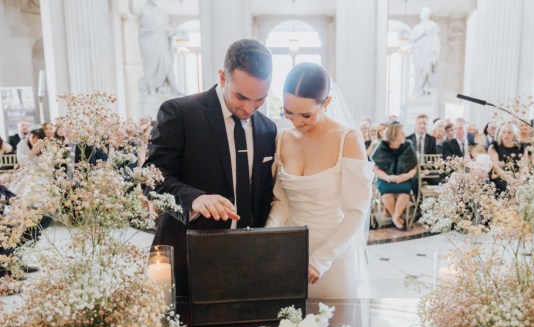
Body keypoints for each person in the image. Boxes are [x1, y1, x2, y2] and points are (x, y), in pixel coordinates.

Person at [145, 39, 277, 299]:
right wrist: (195, 199)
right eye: (241, 96)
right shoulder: (180, 113)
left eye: (260, 99)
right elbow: (152, 179)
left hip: (249, 260)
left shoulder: (267, 128)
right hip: (189, 255)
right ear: (222, 77)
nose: (249, 108)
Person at [266, 62, 373, 299]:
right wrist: (268, 236)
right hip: (289, 251)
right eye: (288, 112)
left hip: (332, 255)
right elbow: (282, 201)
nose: (296, 121)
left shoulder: (348, 140)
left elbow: (357, 210)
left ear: (326, 103)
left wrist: (321, 260)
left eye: (306, 115)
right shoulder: (282, 139)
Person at [371, 122, 418, 231]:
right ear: (394, 135)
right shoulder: (382, 146)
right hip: (385, 179)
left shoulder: (407, 145)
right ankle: (396, 218)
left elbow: (414, 167)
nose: (404, 135)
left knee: (405, 189)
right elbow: (376, 168)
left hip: (403, 178)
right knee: (386, 189)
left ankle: (395, 218)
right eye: (401, 133)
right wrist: (388, 178)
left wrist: (405, 176)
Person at [129, 0, 179, 95]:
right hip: (148, 41)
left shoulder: (161, 11)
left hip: (160, 41)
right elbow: (133, 11)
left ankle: (173, 86)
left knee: (166, 63)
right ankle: (152, 87)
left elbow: (166, 27)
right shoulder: (142, 8)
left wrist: (172, 31)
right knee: (150, 66)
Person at [410, 7, 440, 96]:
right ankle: (419, 91)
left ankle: (434, 89)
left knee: (428, 70)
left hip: (428, 51)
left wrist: (436, 53)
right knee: (419, 72)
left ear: (427, 14)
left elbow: (436, 39)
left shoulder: (433, 25)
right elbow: (411, 39)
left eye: (423, 12)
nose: (421, 14)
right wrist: (421, 34)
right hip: (418, 52)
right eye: (421, 12)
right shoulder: (417, 27)